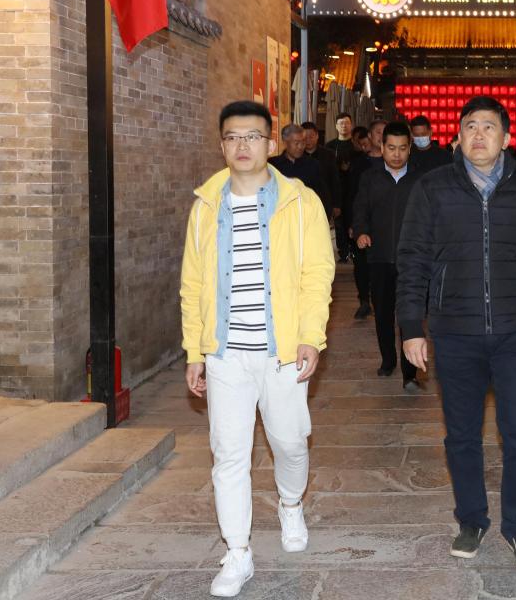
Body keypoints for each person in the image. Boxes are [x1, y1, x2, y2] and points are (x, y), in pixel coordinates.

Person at [397, 96, 516, 571]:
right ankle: (471, 520)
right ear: (457, 136)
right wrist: (411, 327)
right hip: (455, 330)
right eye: (470, 126)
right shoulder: (433, 189)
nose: (479, 135)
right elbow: (413, 260)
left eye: (489, 127)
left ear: (506, 138)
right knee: (461, 435)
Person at [181, 101, 335, 597]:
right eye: (232, 137)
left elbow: (318, 274)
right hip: (226, 353)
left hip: (282, 351)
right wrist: (194, 350)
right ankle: (237, 552)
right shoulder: (206, 206)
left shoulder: (301, 202)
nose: (241, 145)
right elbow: (191, 284)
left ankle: (291, 504)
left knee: (290, 442)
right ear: (222, 145)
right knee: (229, 453)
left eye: (251, 136)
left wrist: (311, 335)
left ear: (270, 144)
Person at [353, 122, 423, 392]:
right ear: (382, 148)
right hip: (379, 256)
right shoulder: (370, 178)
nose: (396, 154)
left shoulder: (419, 179)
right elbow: (360, 209)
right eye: (391, 148)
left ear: (409, 149)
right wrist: (361, 232)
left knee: (409, 314)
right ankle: (388, 360)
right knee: (382, 313)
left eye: (402, 148)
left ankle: (410, 372)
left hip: (411, 260)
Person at [347, 119, 386, 319]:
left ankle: (382, 300)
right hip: (362, 222)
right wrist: (352, 223)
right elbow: (351, 194)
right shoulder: (359, 163)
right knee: (361, 264)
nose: (381, 135)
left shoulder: (395, 161)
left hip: (385, 223)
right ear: (369, 136)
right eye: (378, 132)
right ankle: (364, 300)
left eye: (385, 131)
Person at [268, 124, 329, 211]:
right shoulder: (273, 165)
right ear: (285, 143)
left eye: (303, 142)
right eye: (296, 143)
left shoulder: (313, 164)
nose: (301, 147)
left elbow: (322, 194)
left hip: (308, 212)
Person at [325, 113, 356, 262]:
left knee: (352, 221)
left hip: (354, 190)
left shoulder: (356, 146)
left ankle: (354, 251)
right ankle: (343, 253)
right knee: (339, 224)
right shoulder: (329, 147)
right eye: (341, 123)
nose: (344, 126)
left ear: (351, 125)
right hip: (336, 191)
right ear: (336, 126)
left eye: (347, 123)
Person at [302, 122, 341, 222]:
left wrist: (336, 204)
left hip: (324, 201)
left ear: (317, 136)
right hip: (303, 203)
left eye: (311, 137)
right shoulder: (298, 155)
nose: (308, 140)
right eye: (305, 137)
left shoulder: (328, 154)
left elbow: (334, 180)